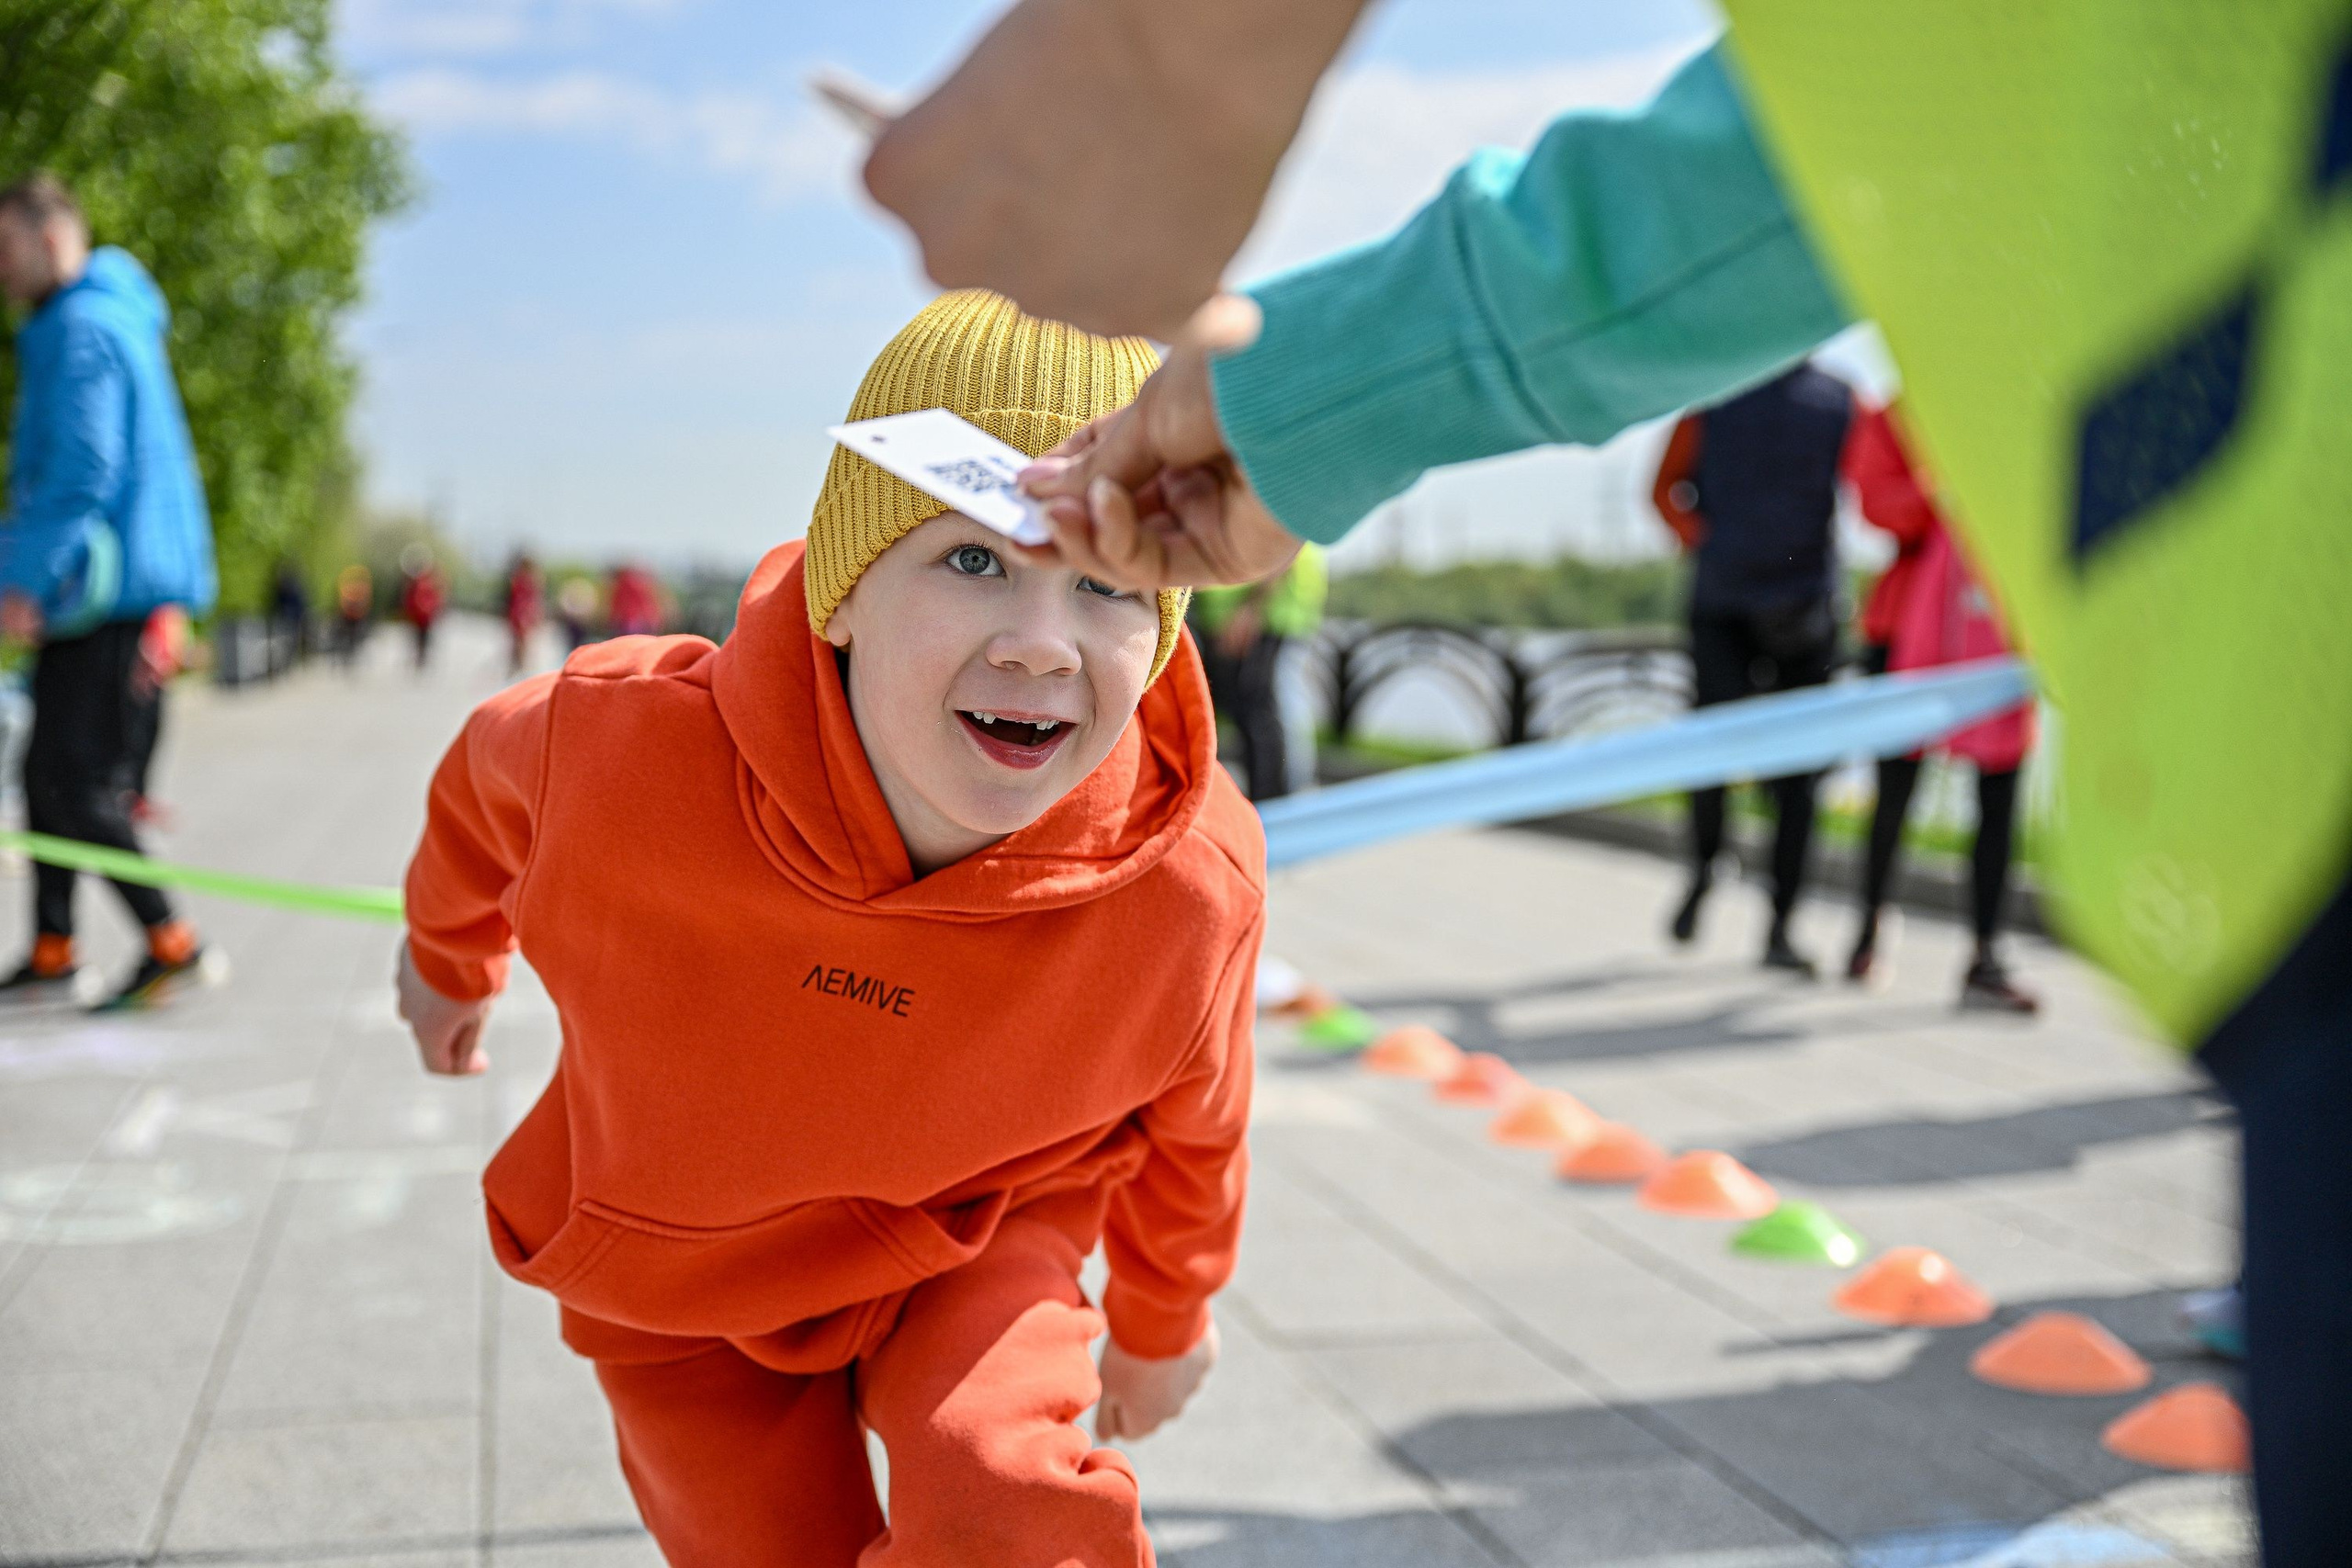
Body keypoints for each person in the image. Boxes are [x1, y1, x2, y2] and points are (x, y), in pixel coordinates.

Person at [951, 20, 2346, 1561]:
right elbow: (1870, 125)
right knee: (1806, 785)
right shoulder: (1835, 382)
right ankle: (1775, 907)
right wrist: (1302, 396)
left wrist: (1287, 341)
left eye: (1078, 594)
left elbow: (1861, 134)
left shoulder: (1195, 874)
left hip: (2263, 767)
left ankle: (1752, 898)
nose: (1036, 640)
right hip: (2246, 781)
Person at [394, 292, 1260, 1566]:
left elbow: (1200, 1122)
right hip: (683, 1260)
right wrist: (448, 956)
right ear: (843, 592)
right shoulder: (620, 749)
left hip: (979, 1227)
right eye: (973, 560)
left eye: (1105, 582)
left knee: (999, 1492)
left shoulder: (1185, 884)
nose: (1040, 645)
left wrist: (1165, 1316)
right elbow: (483, 783)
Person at [0, 174, 219, 1011]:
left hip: (104, 594)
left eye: (7, 247)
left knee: (76, 782)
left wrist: (23, 581)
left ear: (52, 238)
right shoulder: (105, 316)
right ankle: (53, 949)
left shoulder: (82, 327)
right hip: (105, 591)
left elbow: (84, 468)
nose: (2, 268)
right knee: (47, 775)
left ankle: (173, 943)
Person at [1651, 365, 1853, 974]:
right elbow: (1665, 489)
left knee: (1796, 777)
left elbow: (1663, 493)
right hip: (1732, 605)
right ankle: (1707, 868)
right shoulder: (1714, 395)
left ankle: (1779, 924)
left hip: (1800, 609)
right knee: (1718, 756)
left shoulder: (1840, 402)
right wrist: (1709, 544)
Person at [1843, 404, 2038, 1012]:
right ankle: (1869, 926)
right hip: (1906, 625)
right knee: (1893, 790)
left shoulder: (2019, 409)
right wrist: (1950, 488)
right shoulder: (1895, 415)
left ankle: (1987, 951)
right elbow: (1878, 506)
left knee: (2000, 795)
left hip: (2000, 622)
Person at [1189, 541, 1325, 801]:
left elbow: (1288, 537)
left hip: (1266, 616)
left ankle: (1284, 805)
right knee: (1251, 719)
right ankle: (1270, 804)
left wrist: (1251, 609)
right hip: (1237, 616)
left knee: (1266, 717)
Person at [398, 545, 443, 672]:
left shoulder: (429, 583)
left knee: (422, 639)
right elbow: (411, 599)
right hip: (418, 617)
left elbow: (434, 600)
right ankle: (418, 658)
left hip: (425, 617)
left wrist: (429, 610)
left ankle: (421, 658)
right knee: (417, 638)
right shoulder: (417, 582)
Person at [502, 551, 543, 676]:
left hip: (522, 614)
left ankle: (519, 667)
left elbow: (530, 601)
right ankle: (518, 666)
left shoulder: (525, 580)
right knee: (520, 642)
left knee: (521, 642)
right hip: (520, 614)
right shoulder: (524, 580)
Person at [605, 561, 662, 637]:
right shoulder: (636, 582)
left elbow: (617, 604)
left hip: (631, 621)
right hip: (641, 619)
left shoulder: (624, 585)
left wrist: (612, 619)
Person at [334, 562, 373, 669]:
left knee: (353, 635)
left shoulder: (356, 590)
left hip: (355, 618)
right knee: (348, 635)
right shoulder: (353, 590)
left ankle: (350, 651)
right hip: (350, 618)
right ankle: (348, 651)